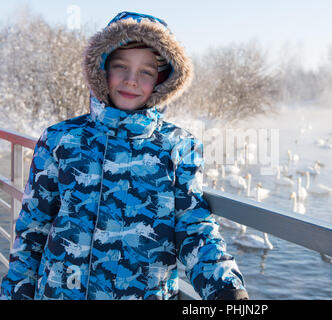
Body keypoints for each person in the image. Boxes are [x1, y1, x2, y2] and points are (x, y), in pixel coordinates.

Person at [0, 11, 248, 300]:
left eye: (146, 72)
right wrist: (16, 291)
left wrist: (225, 287)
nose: (132, 80)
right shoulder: (60, 139)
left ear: (162, 80)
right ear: (101, 70)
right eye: (121, 67)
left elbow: (193, 226)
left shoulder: (179, 146)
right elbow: (34, 227)